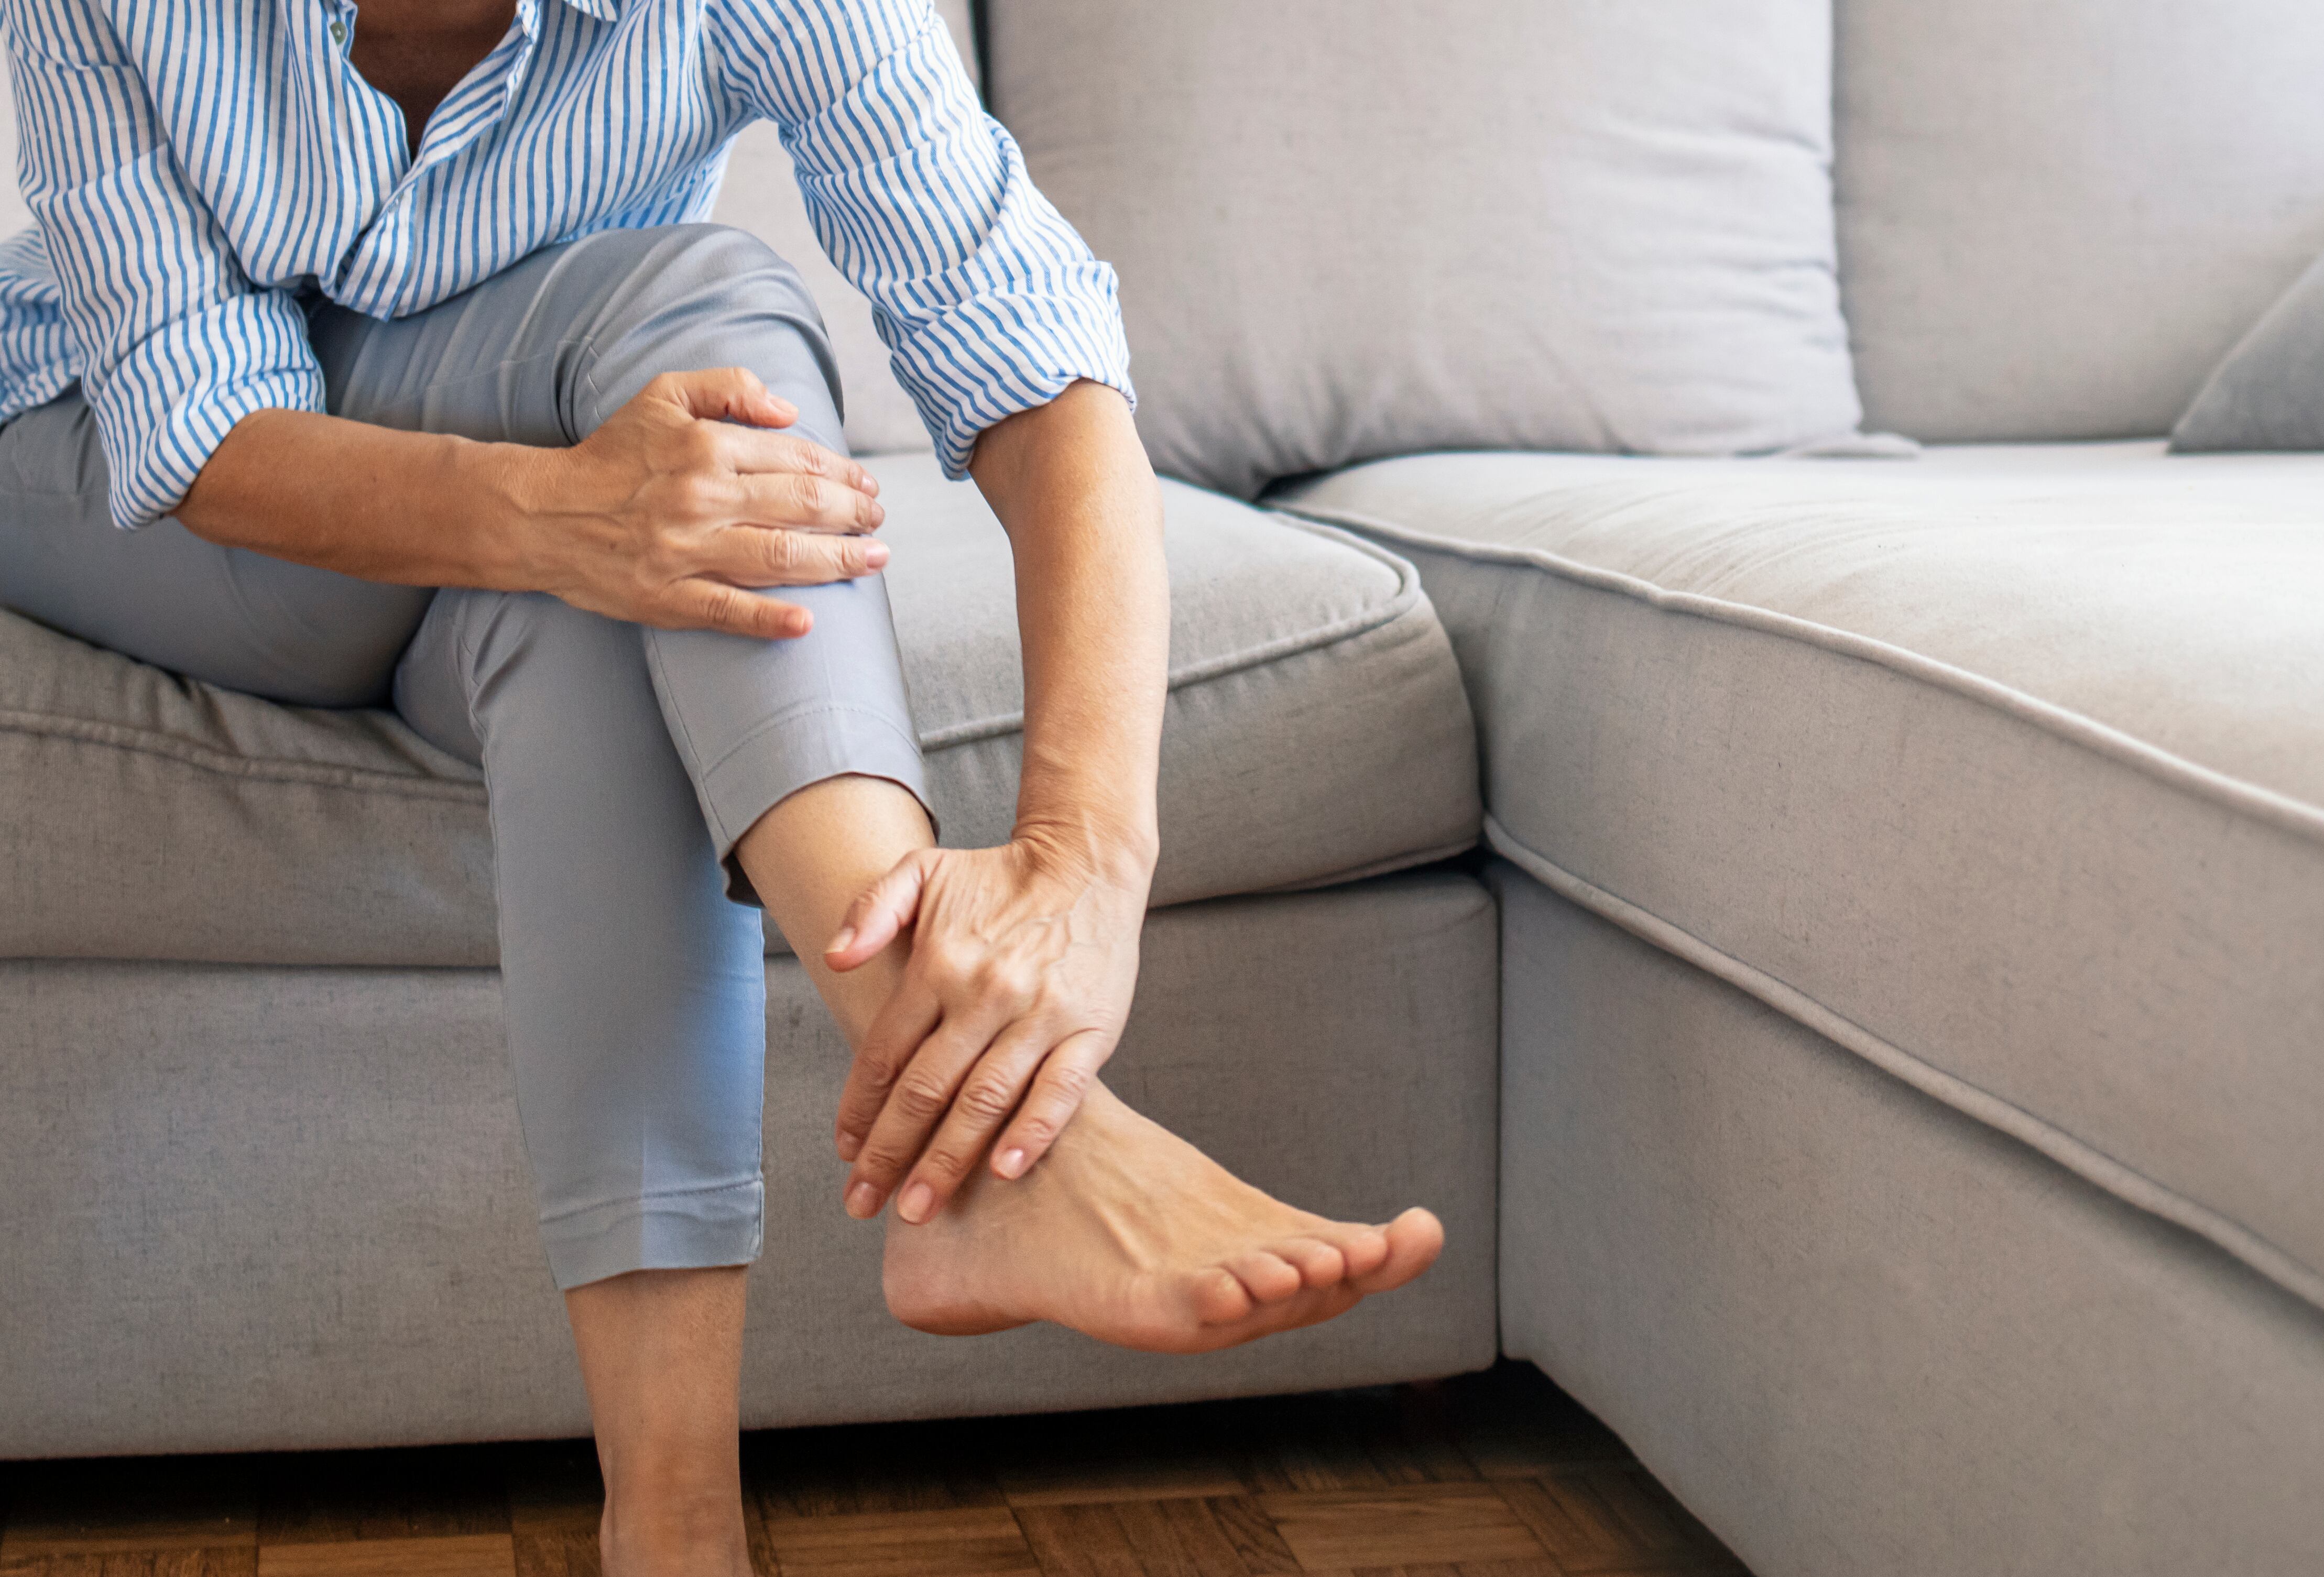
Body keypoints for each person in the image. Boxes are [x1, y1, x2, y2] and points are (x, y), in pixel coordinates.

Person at [0, 1, 1444, 1571]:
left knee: (627, 593)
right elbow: (196, 424)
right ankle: (1016, 1131)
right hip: (146, 491)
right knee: (707, 306)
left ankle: (675, 1527)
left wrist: (1087, 857)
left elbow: (1029, 347)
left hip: (522, 450)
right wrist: (559, 506)